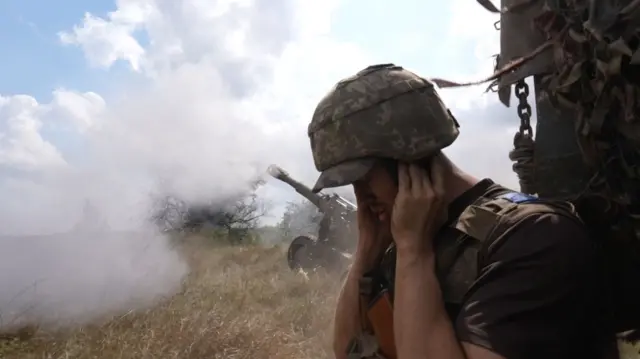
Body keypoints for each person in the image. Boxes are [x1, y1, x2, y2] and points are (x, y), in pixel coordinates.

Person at [306, 64, 617, 359]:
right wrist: (367, 248)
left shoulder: (534, 237)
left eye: (364, 178)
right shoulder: (402, 240)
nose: (361, 197)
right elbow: (350, 350)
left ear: (409, 159)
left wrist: (414, 254)